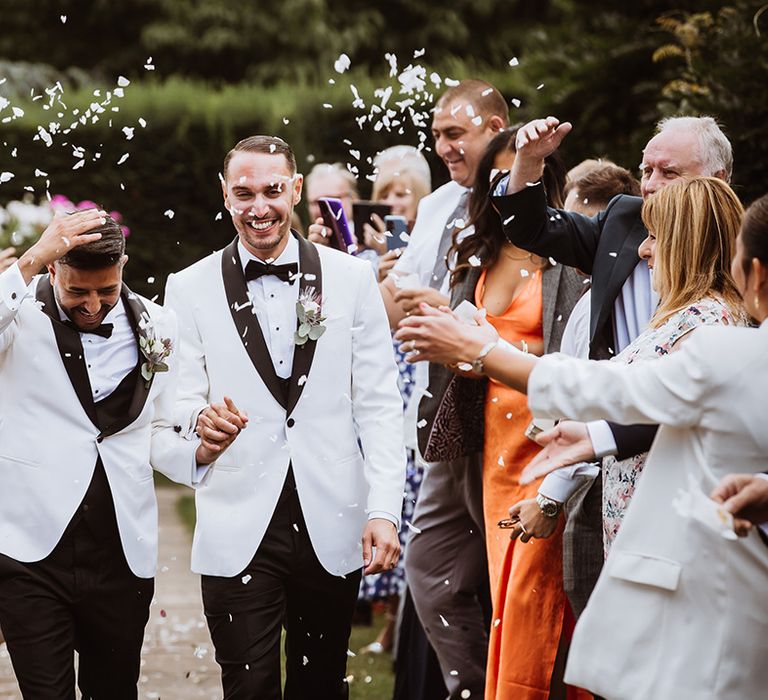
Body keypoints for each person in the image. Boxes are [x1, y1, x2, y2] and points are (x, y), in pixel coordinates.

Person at [394, 187, 768, 700]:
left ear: (757, 274)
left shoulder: (712, 330)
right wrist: (593, 436)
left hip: (694, 567)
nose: (643, 250)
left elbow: (606, 388)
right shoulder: (701, 327)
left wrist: (483, 350)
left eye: (656, 237)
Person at [164, 135, 406, 699]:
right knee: (246, 689)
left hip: (331, 516)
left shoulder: (352, 279)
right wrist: (201, 418)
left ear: (295, 190)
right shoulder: (189, 286)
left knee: (320, 686)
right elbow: (174, 400)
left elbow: (377, 404)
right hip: (237, 517)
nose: (259, 206)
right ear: (224, 195)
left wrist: (383, 510)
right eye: (243, 192)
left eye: (273, 190)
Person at [491, 114, 733, 615]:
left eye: (669, 173)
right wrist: (528, 164)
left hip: (680, 480)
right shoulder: (624, 220)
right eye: (645, 171)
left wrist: (486, 352)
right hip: (606, 468)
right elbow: (535, 228)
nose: (651, 188)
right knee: (596, 605)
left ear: (718, 180)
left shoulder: (725, 291)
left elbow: (663, 391)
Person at [0, 211, 236, 698]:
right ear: (52, 270)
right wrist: (28, 260)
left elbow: (157, 429)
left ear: (124, 266)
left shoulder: (160, 325)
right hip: (31, 550)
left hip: (120, 553)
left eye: (105, 291)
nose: (92, 307)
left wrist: (201, 449)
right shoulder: (17, 315)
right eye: (77, 292)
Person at [421, 127, 586, 699]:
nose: (504, 183)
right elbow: (465, 356)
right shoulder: (476, 253)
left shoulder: (570, 256)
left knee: (533, 592)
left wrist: (493, 350)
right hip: (491, 443)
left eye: (519, 172)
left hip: (547, 440)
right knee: (504, 588)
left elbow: (582, 356)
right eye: (499, 173)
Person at [510, 178, 748, 554]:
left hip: (670, 536)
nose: (643, 249)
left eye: (654, 236)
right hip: (640, 530)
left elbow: (663, 408)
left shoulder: (708, 322)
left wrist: (490, 353)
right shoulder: (677, 317)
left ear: (684, 245)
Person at [380, 78, 509, 699]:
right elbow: (392, 308)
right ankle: (476, 686)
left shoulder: (520, 201)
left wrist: (436, 303)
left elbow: (517, 313)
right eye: (436, 136)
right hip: (443, 414)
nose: (443, 148)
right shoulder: (436, 207)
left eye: (454, 134)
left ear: (495, 126)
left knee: (502, 571)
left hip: (505, 408)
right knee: (429, 567)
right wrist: (376, 282)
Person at [357, 145, 432, 658]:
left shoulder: (430, 244)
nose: (394, 202)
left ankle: (405, 619)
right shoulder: (362, 256)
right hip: (378, 373)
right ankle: (386, 613)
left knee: (414, 496)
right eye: (385, 194)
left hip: (415, 376)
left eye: (403, 192)